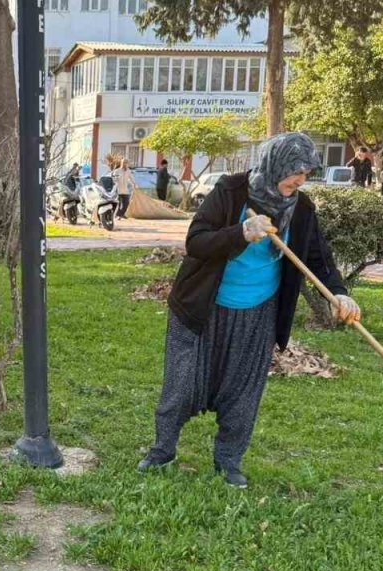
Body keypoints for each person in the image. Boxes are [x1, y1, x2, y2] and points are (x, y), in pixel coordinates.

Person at [138, 132, 362, 489]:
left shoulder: (301, 209)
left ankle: (228, 462)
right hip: (202, 307)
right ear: (275, 164)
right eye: (295, 170)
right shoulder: (230, 191)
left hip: (257, 312)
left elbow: (319, 257)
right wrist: (241, 232)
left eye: (306, 172)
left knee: (243, 393)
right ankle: (163, 449)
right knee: (181, 385)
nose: (300, 180)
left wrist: (338, 292)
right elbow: (196, 242)